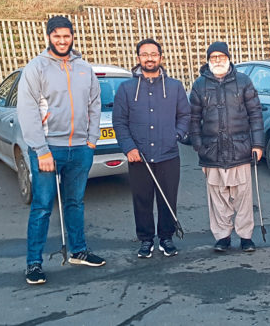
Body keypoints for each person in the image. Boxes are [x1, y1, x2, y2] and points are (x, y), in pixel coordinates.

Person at [18, 16, 105, 285]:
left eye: (66, 36)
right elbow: (28, 110)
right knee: (42, 206)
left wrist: (91, 142)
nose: (62, 40)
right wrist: (41, 150)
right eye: (57, 36)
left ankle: (78, 250)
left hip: (80, 148)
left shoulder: (84, 68)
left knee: (75, 203)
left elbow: (94, 104)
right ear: (48, 37)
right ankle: (34, 263)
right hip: (48, 149)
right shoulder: (36, 68)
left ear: (72, 37)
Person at [113, 38, 190, 259]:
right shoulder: (126, 89)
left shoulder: (174, 86)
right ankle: (146, 240)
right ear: (138, 58)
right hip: (139, 156)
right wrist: (129, 148)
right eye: (144, 54)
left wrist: (177, 134)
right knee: (142, 199)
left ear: (160, 57)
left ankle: (166, 237)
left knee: (168, 198)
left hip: (168, 155)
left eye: (153, 54)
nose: (149, 58)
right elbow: (119, 121)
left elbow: (185, 115)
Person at [189, 41, 265, 253]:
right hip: (211, 151)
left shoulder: (243, 81)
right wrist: (197, 145)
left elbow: (255, 114)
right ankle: (222, 237)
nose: (218, 61)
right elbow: (193, 118)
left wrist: (258, 144)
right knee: (217, 198)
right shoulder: (199, 85)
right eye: (213, 58)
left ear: (229, 58)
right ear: (208, 61)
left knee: (243, 197)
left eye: (221, 57)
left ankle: (246, 237)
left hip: (240, 149)